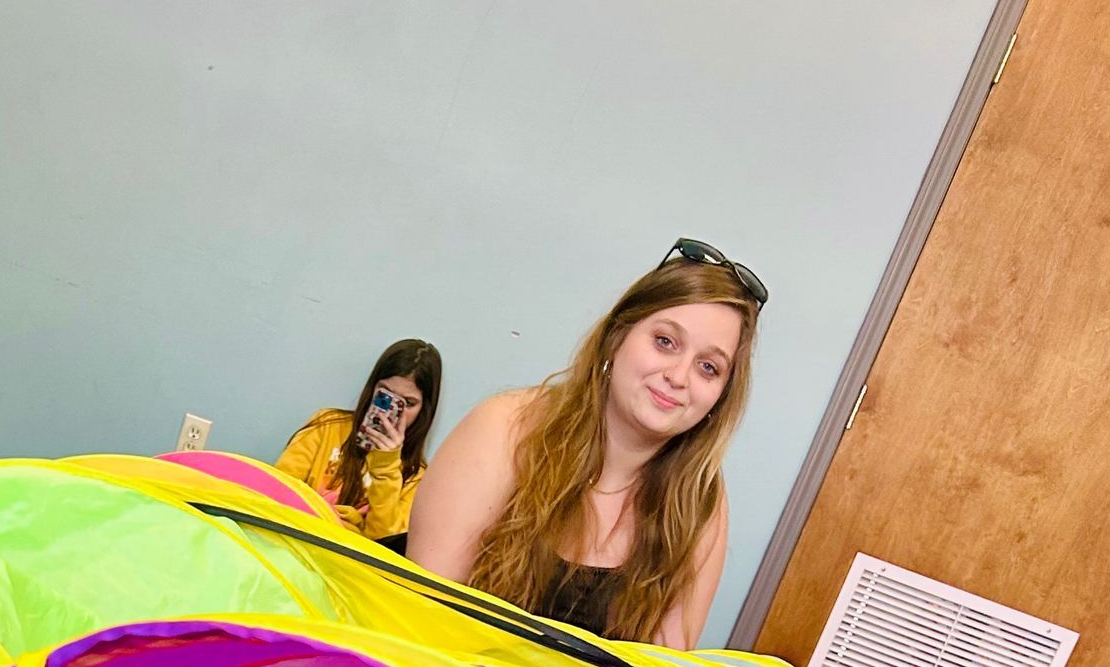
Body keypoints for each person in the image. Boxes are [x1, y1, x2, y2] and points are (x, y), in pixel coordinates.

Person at [407, 243, 765, 645]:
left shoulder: (701, 504)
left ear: (720, 396)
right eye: (665, 341)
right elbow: (421, 622)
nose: (679, 376)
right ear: (617, 337)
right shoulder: (505, 428)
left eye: (708, 367)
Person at [274, 338, 442, 545]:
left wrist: (386, 466)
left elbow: (383, 545)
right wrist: (343, 522)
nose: (391, 413)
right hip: (291, 542)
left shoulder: (416, 478)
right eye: (385, 394)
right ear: (372, 388)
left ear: (424, 410)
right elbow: (277, 492)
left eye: (407, 403)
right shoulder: (327, 425)